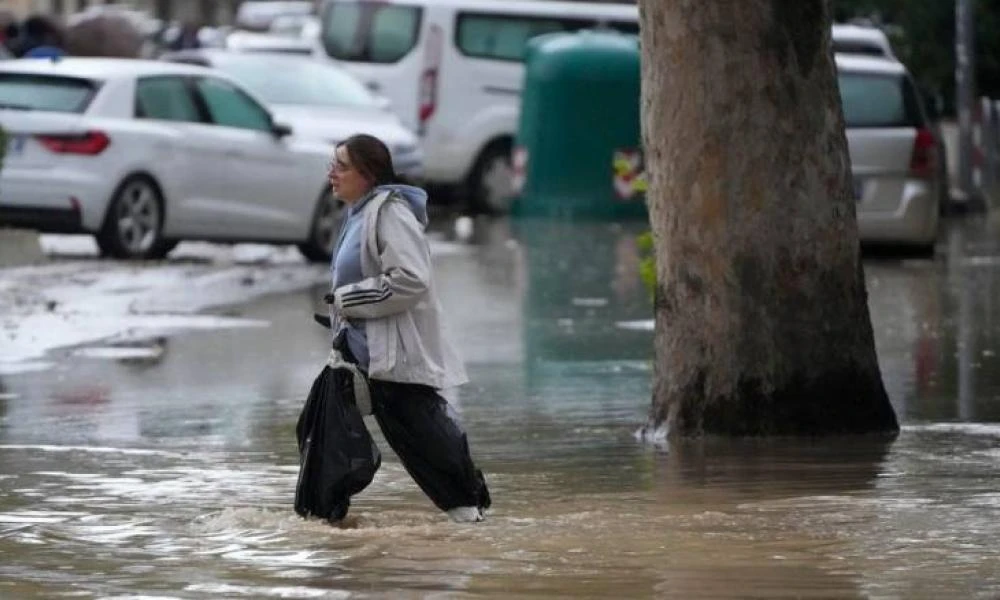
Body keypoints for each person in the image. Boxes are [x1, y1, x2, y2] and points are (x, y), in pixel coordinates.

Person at [323, 133, 491, 523]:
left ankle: (472, 524)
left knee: (430, 448)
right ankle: (326, 525)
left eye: (341, 166)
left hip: (392, 360)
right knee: (321, 436)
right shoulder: (358, 213)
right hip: (356, 357)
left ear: (367, 174)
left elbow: (410, 280)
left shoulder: (389, 214)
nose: (332, 173)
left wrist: (348, 299)